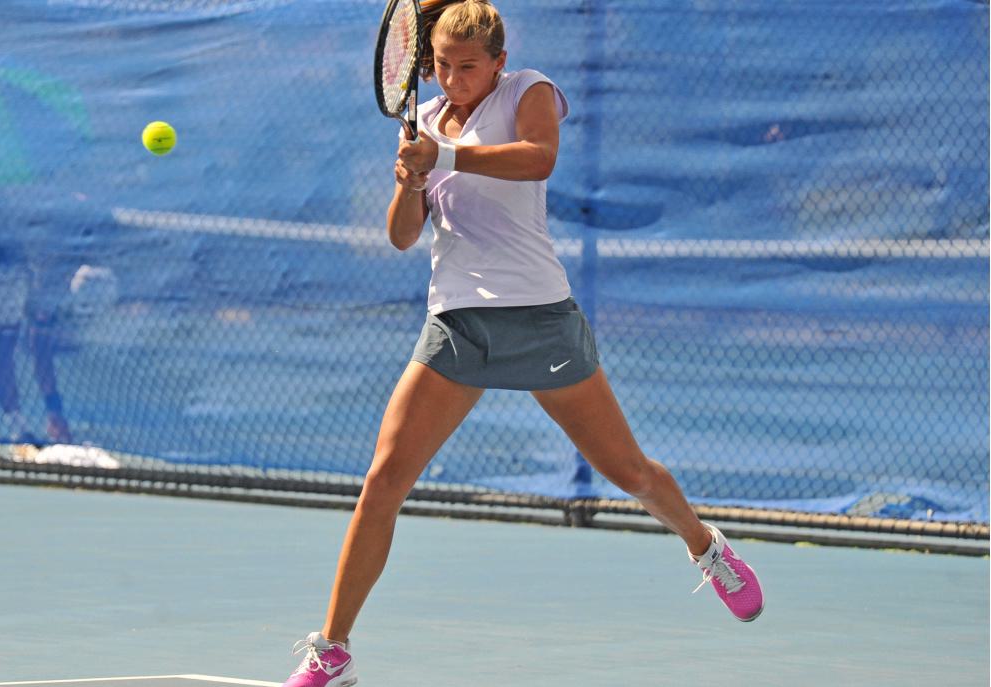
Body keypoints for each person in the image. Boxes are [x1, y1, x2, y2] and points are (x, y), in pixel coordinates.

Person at [279, 2, 764, 685]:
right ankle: (334, 649)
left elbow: (539, 159)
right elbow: (402, 235)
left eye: (468, 66)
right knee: (383, 481)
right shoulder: (423, 121)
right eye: (443, 66)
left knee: (629, 472)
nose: (454, 79)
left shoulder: (527, 91)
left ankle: (706, 547)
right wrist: (411, 181)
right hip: (456, 325)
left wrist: (445, 155)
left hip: (538, 319)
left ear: (498, 63)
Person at [0, 188, 113, 448]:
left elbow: (41, 341)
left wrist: (54, 411)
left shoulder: (76, 250)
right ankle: (18, 429)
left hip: (30, 240)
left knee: (24, 329)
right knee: (3, 337)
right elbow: (38, 343)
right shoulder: (27, 251)